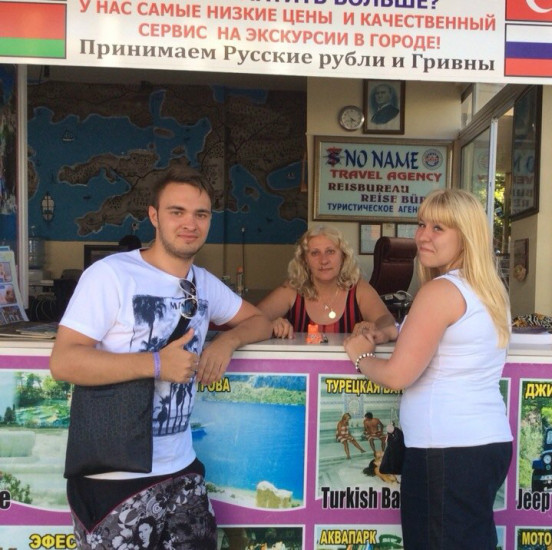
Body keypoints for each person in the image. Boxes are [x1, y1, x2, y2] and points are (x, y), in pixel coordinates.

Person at [49, 165, 273, 549]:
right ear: (154, 216)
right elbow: (64, 361)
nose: (190, 223)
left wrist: (226, 342)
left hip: (182, 470)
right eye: (177, 212)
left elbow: (261, 322)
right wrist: (156, 364)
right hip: (114, 478)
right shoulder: (111, 275)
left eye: (201, 214)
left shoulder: (203, 283)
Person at [343, 188, 513, 549]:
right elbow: (446, 339)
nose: (423, 235)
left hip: (446, 450)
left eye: (439, 228)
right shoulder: (487, 288)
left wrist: (360, 356)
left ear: (466, 236)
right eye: (421, 224)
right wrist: (392, 331)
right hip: (482, 443)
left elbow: (398, 375)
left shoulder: (440, 292)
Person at [257, 225, 398, 341]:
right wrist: (270, 324)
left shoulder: (358, 288)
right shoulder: (292, 289)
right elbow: (252, 319)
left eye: (330, 251)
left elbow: (387, 320)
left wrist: (374, 328)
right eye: (315, 253)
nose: (323, 260)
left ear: (343, 256)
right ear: (305, 260)